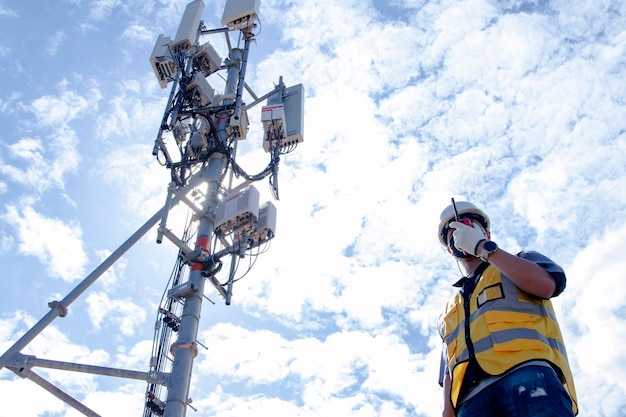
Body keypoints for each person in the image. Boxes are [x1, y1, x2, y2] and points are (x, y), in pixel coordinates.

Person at [436, 200, 578, 417]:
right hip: (470, 401)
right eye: (452, 230)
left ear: (487, 233)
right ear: (449, 249)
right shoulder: (449, 310)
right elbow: (448, 371)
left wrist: (483, 248)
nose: (460, 230)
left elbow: (546, 285)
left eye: (468, 224)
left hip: (527, 375)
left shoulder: (518, 262)